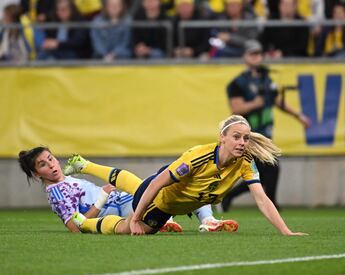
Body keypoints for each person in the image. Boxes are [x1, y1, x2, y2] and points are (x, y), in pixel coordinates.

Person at [69, 115, 307, 237]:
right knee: (130, 230)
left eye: (245, 138)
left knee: (145, 186)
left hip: (183, 199)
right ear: (221, 138)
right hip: (159, 200)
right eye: (236, 137)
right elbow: (158, 184)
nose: (242, 142)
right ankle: (85, 222)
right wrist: (135, 219)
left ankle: (207, 219)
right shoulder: (198, 156)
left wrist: (285, 231)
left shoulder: (245, 161)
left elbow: (262, 199)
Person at [18, 146, 234, 233]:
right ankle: (201, 220)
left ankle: (200, 220)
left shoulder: (67, 181)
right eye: (43, 164)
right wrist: (102, 198)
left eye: (50, 158)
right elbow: (75, 226)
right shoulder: (56, 192)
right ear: (37, 174)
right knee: (175, 186)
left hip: (124, 200)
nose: (52, 164)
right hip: (117, 210)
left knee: (182, 184)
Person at [221, 40, 310, 212]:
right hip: (249, 134)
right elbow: (236, 108)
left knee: (263, 170)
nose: (256, 57)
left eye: (258, 54)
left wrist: (299, 116)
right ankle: (272, 203)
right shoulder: (238, 83)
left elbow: (278, 101)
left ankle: (232, 196)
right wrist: (255, 103)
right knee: (271, 165)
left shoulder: (266, 80)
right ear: (245, 57)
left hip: (266, 132)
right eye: (252, 54)